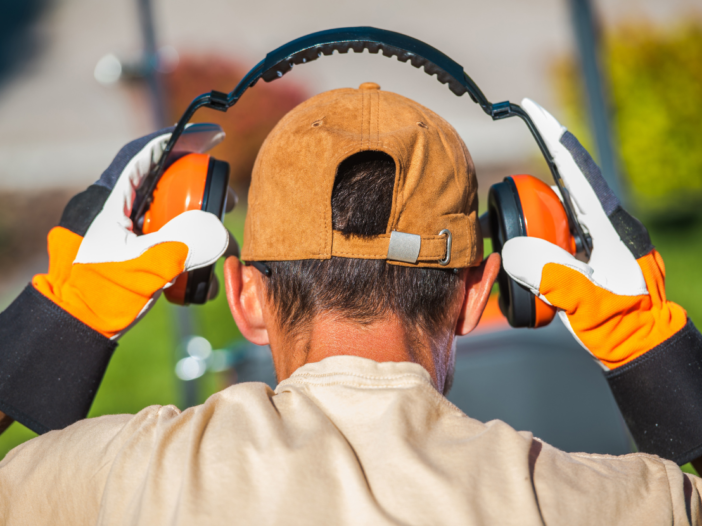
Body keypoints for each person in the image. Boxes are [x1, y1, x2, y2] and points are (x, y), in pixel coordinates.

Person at [0, 82, 701, 524]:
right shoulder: (582, 501)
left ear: (245, 298)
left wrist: (59, 320)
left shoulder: (118, 480)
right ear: (478, 296)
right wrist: (649, 345)